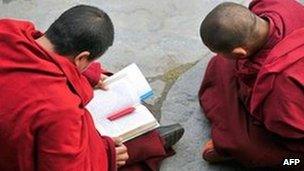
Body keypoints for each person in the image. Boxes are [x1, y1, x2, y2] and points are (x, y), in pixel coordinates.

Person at [0, 5, 184, 171]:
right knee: (119, 149)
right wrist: (107, 154)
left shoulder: (8, 29)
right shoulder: (60, 107)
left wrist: (83, 73)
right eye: (88, 62)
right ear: (81, 57)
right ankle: (150, 142)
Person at [199, 0, 304, 169]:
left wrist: (253, 100)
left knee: (247, 147)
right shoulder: (274, 3)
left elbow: (288, 132)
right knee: (220, 63)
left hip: (292, 121)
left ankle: (231, 148)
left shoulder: (276, 83)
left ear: (240, 52)